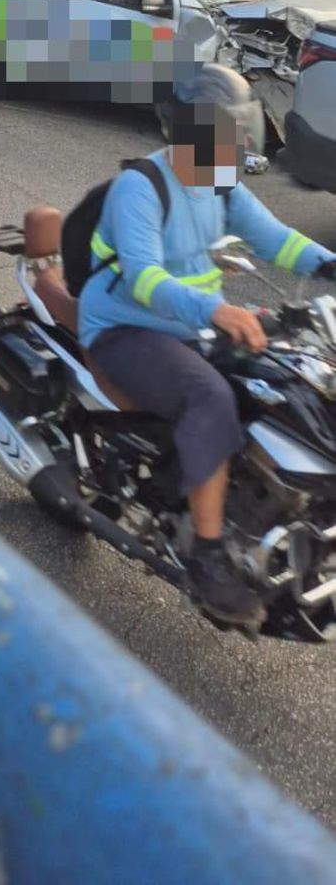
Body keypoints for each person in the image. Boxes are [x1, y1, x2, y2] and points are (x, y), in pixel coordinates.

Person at [78, 64, 336, 628]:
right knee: (210, 397)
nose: (234, 143)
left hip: (190, 326)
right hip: (125, 328)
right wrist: (217, 310)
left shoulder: (220, 183)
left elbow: (274, 239)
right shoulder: (141, 188)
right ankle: (208, 555)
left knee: (284, 381)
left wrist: (328, 264)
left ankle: (255, 504)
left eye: (237, 130)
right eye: (222, 130)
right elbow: (144, 278)